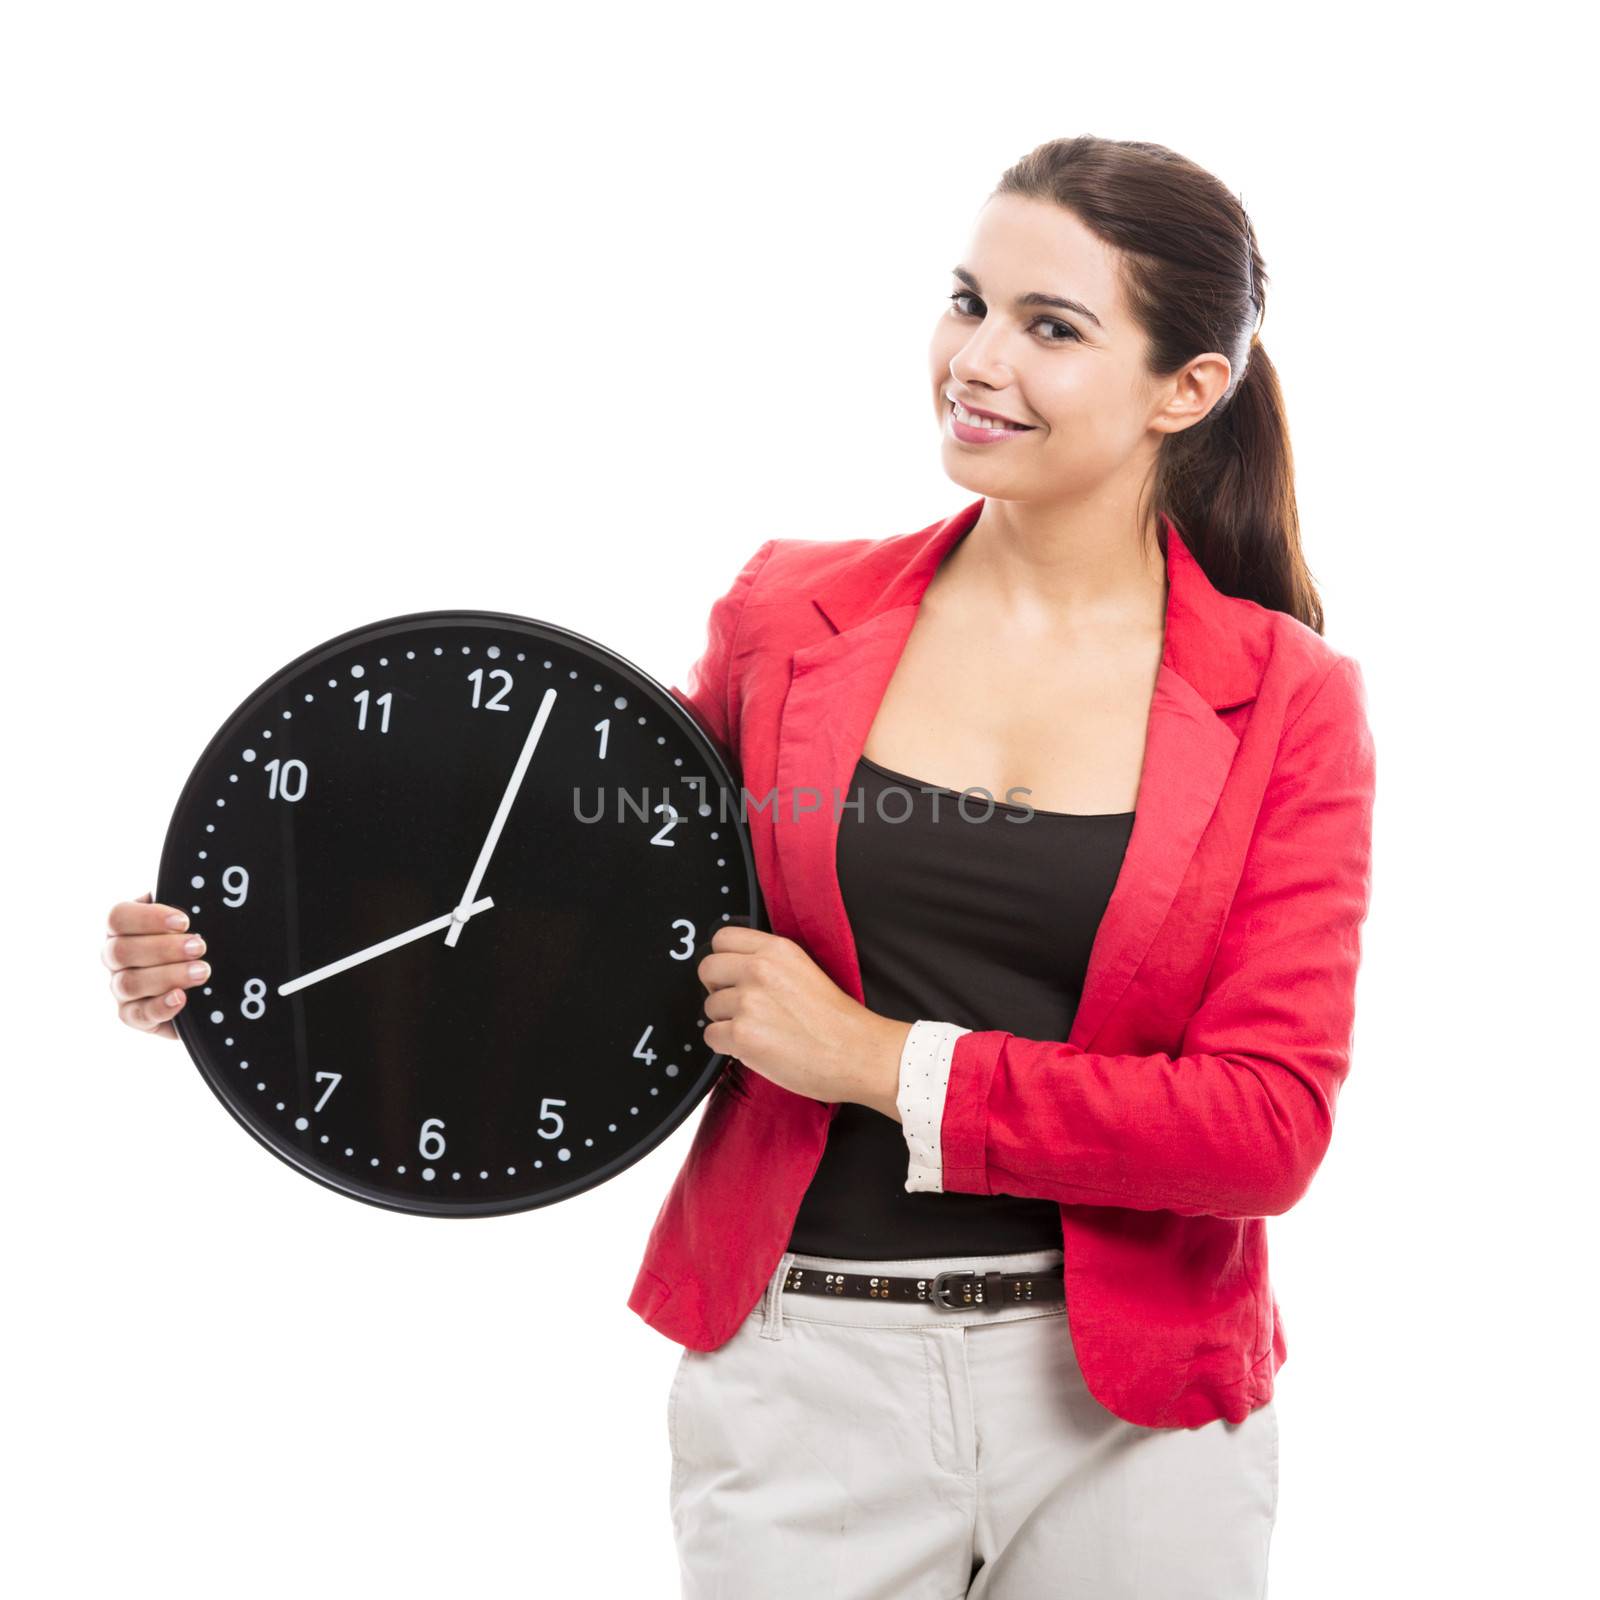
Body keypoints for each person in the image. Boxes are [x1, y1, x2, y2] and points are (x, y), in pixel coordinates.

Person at [105, 134, 1376, 1598]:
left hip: (1136, 1422)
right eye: (967, 300)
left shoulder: (1287, 700)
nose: (974, 358)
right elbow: (556, 897)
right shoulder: (791, 617)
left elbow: (1266, 1128)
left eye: (1051, 327)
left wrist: (882, 1063)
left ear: (1189, 388)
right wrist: (244, 955)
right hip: (807, 1388)